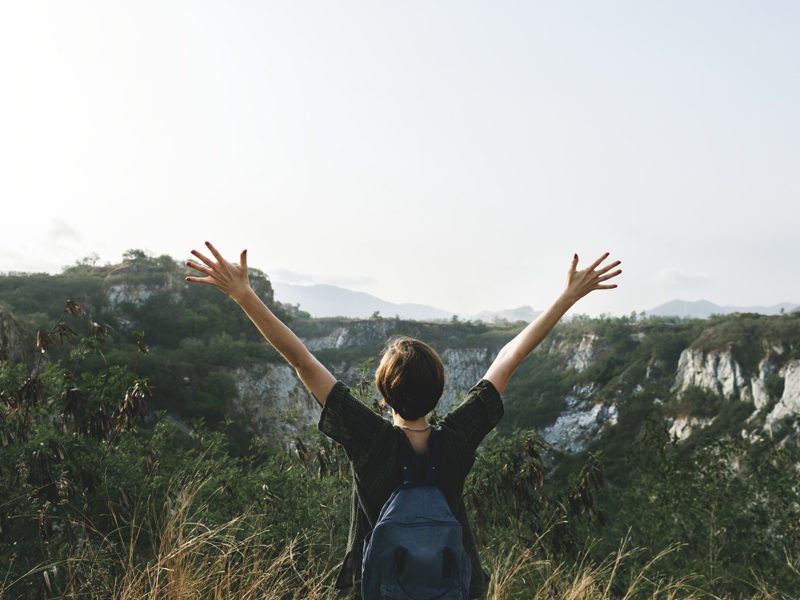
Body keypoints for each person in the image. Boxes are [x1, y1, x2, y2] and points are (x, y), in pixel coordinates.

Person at [185, 242, 621, 598]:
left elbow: (300, 360)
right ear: (440, 391)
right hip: (456, 588)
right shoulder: (456, 439)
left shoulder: (370, 441)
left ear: (382, 391)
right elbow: (510, 357)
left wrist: (243, 295)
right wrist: (566, 298)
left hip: (376, 588)